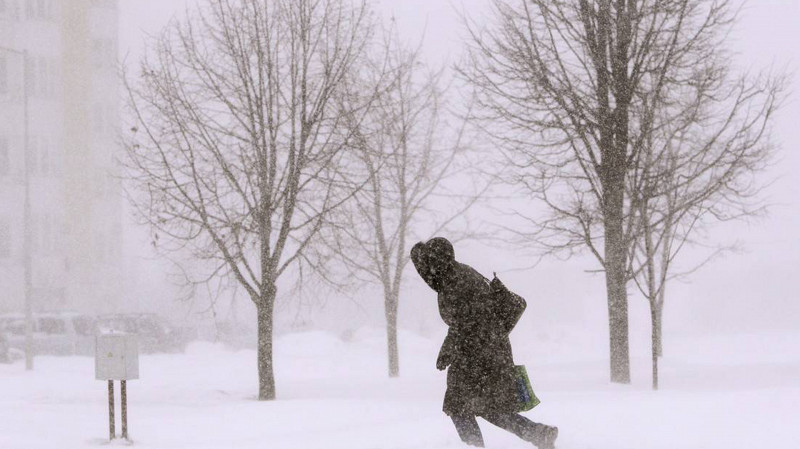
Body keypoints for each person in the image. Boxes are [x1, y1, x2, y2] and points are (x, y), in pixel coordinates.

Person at [410, 237, 558, 448]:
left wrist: (449, 347)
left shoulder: (455, 282)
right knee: (491, 408)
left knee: (459, 405)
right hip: (491, 349)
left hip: (476, 353)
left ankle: (474, 447)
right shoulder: (461, 274)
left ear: (439, 262)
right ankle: (538, 434)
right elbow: (471, 318)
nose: (427, 271)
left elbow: (468, 319)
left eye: (430, 264)